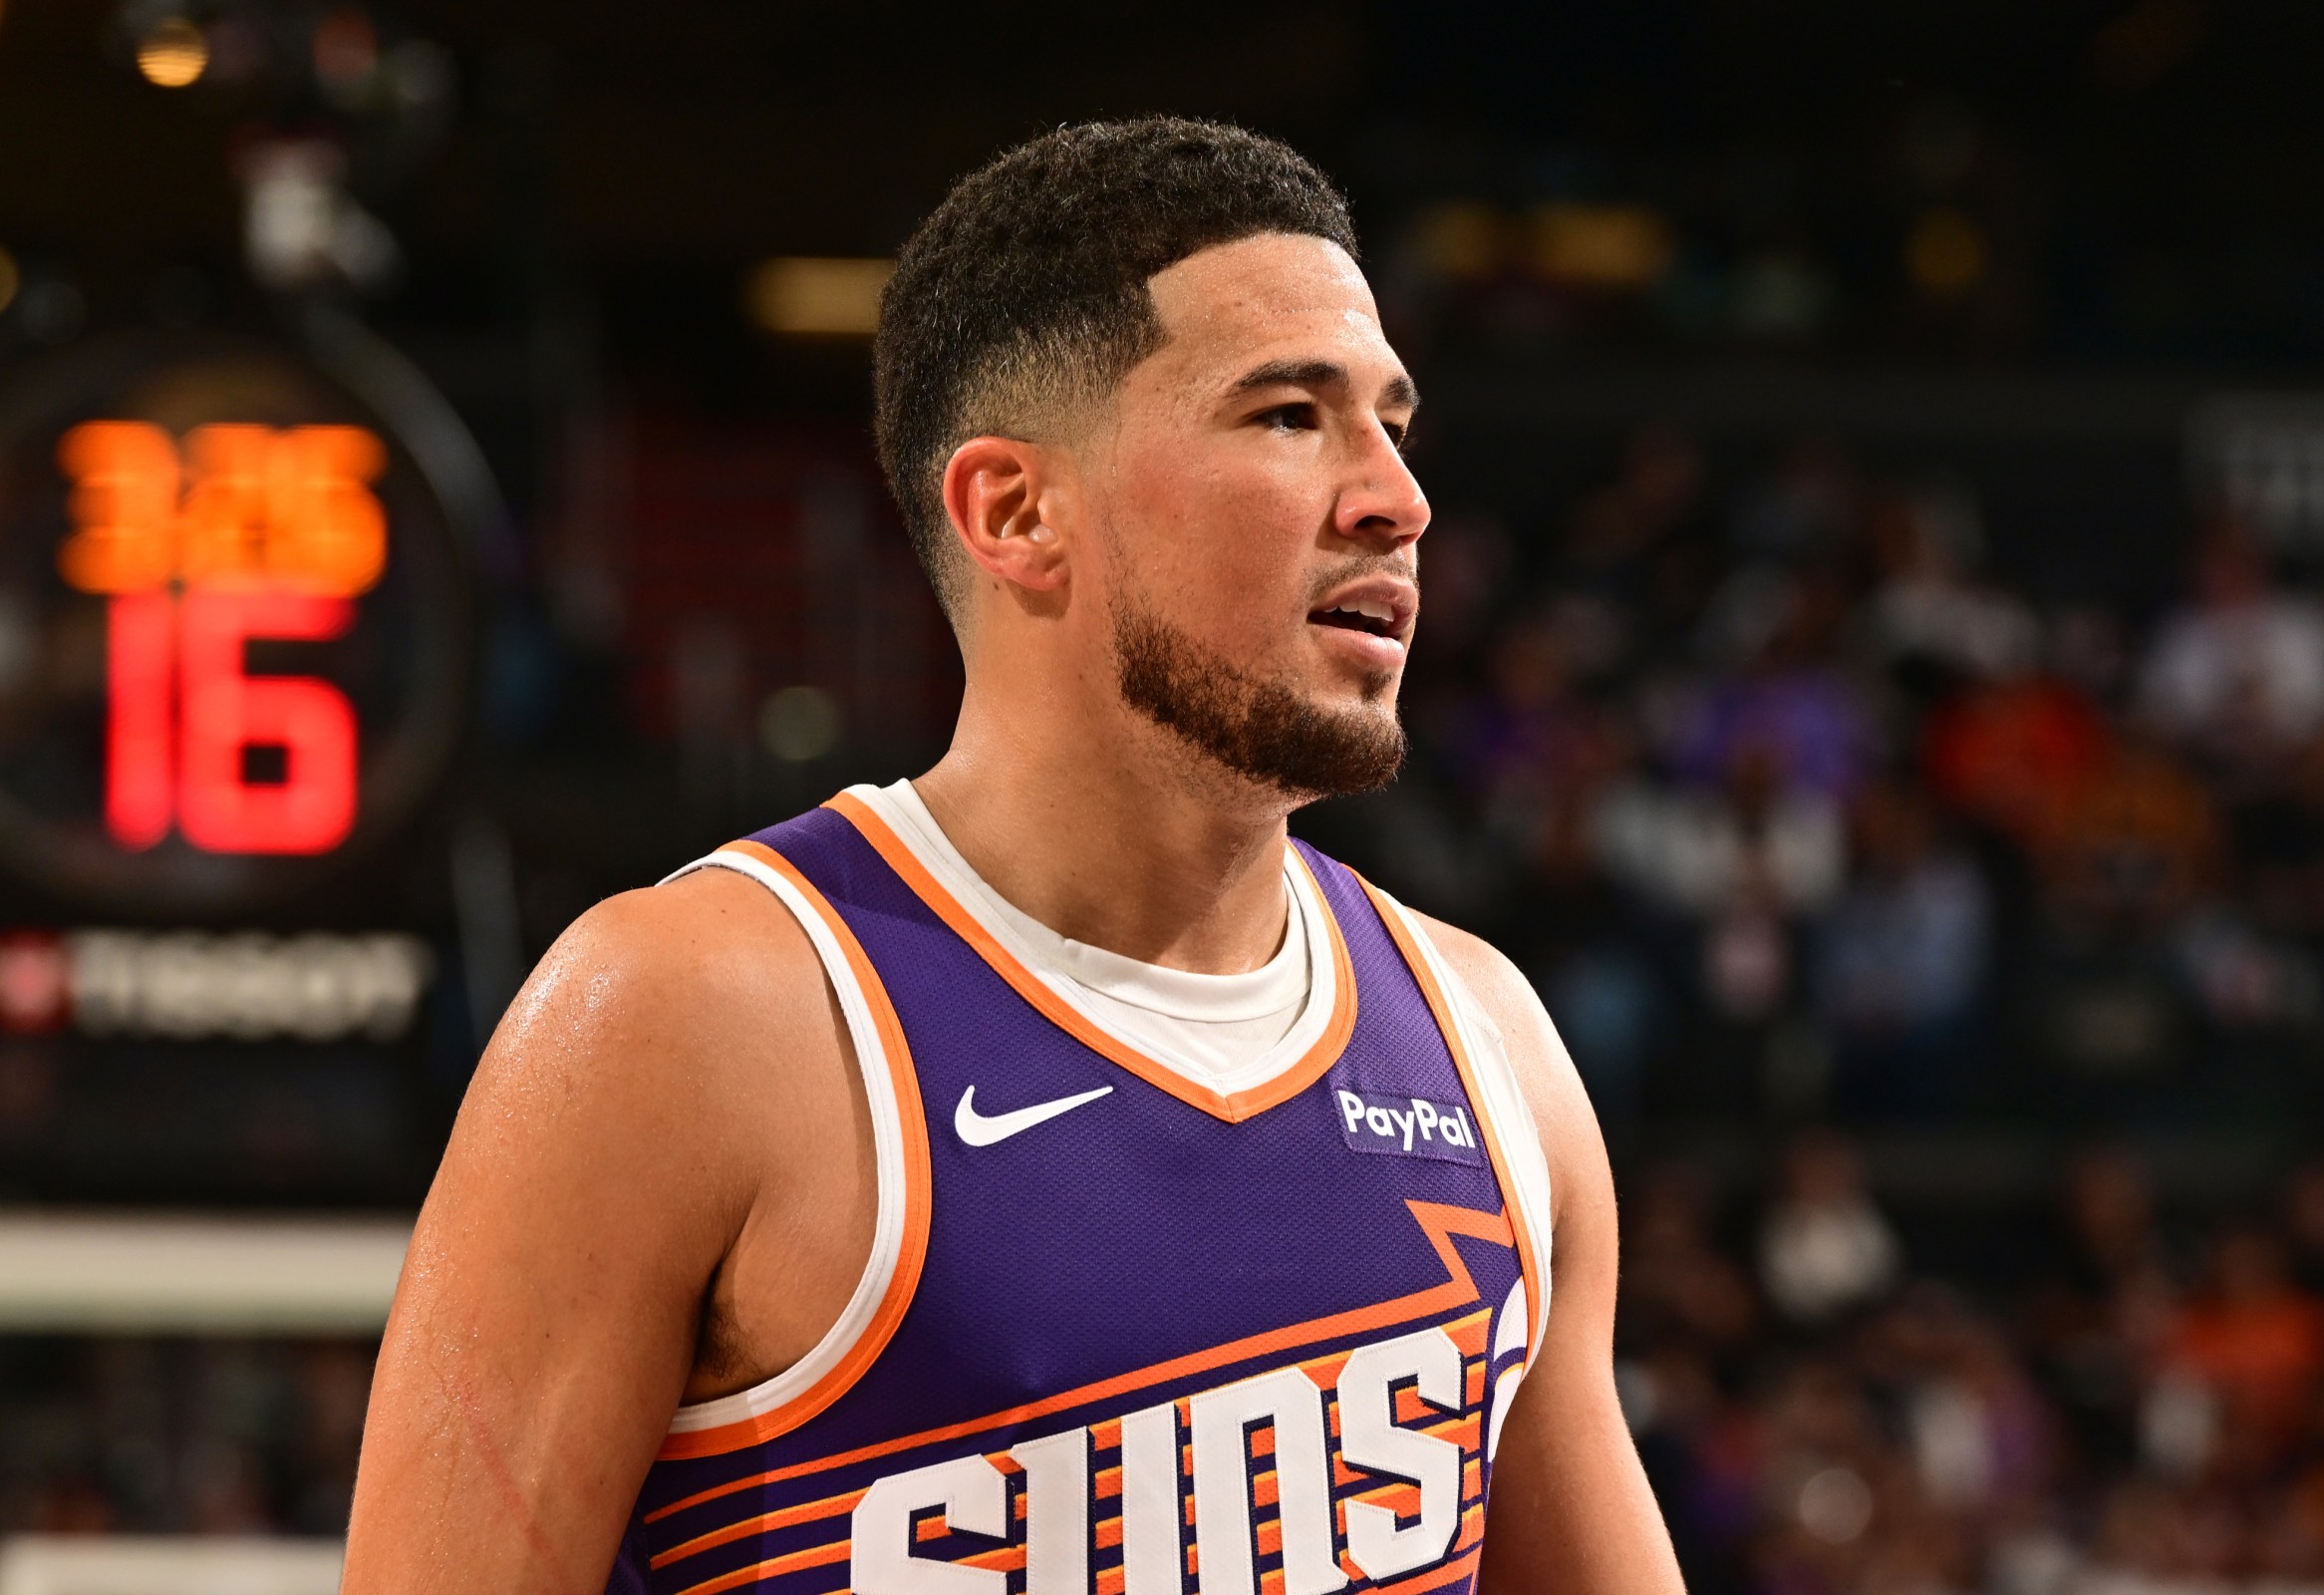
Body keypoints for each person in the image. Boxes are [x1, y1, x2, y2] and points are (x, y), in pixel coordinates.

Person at [342, 120, 1683, 1595]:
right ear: (1017, 512)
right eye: (1290, 417)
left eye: (1393, 423)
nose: (1395, 500)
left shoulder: (1491, 1052)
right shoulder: (688, 1018)